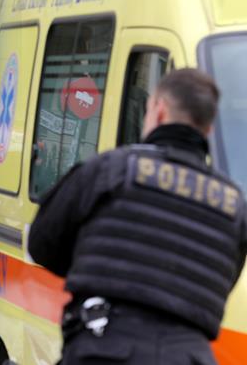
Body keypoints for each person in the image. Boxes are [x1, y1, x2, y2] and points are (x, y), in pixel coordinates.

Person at [29, 69, 247, 364]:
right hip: (190, 355)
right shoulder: (234, 205)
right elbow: (220, 280)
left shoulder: (110, 170)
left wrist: (99, 263)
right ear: (207, 129)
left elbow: (42, 243)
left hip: (105, 347)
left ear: (158, 111)